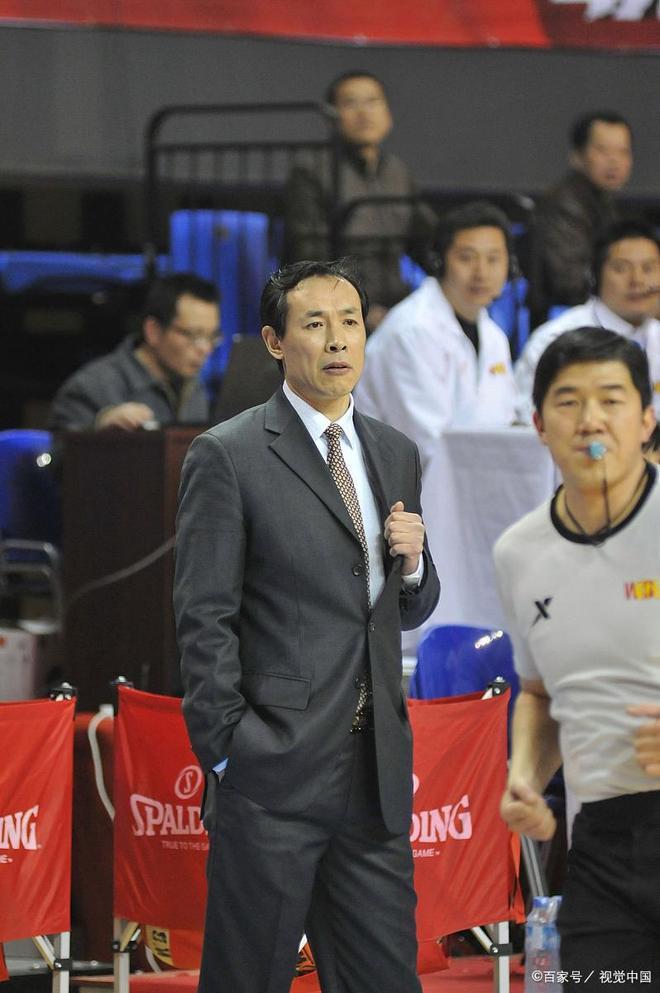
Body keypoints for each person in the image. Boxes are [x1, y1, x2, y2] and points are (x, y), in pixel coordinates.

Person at [173, 259, 440, 993]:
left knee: (386, 979)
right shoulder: (227, 454)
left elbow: (405, 605)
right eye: (315, 324)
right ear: (274, 341)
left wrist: (415, 566)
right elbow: (203, 618)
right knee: (248, 978)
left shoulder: (395, 451)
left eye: (350, 321)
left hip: (374, 776)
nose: (337, 339)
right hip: (271, 771)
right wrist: (229, 753)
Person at [495, 327, 660, 985]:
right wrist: (525, 775)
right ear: (538, 424)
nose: (591, 420)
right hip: (602, 846)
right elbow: (539, 692)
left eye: (611, 399)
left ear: (647, 419)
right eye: (568, 401)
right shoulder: (519, 552)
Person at [354, 201, 517, 469]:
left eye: (493, 259)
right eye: (466, 257)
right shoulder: (412, 331)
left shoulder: (494, 335)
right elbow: (427, 446)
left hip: (475, 477)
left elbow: (504, 422)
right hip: (405, 485)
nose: (481, 272)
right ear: (439, 261)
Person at [284, 70, 435, 330]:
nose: (364, 113)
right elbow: (310, 257)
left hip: (397, 303)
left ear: (388, 115)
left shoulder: (397, 171)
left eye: (373, 102)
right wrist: (362, 308)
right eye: (351, 103)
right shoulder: (311, 171)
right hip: (338, 307)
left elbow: (425, 239)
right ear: (330, 118)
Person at [516, 220, 660, 423]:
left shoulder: (656, 334)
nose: (637, 280)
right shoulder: (555, 339)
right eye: (621, 268)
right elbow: (528, 421)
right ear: (595, 275)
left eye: (649, 268)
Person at [49, 273, 220, 431]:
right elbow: (59, 449)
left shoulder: (195, 388)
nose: (205, 349)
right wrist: (99, 428)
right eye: (193, 335)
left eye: (212, 336)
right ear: (154, 331)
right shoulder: (90, 387)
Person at [531, 110, 633, 323]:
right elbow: (570, 282)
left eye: (623, 151)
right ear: (577, 156)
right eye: (603, 150)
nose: (614, 160)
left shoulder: (606, 202)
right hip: (569, 319)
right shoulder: (562, 204)